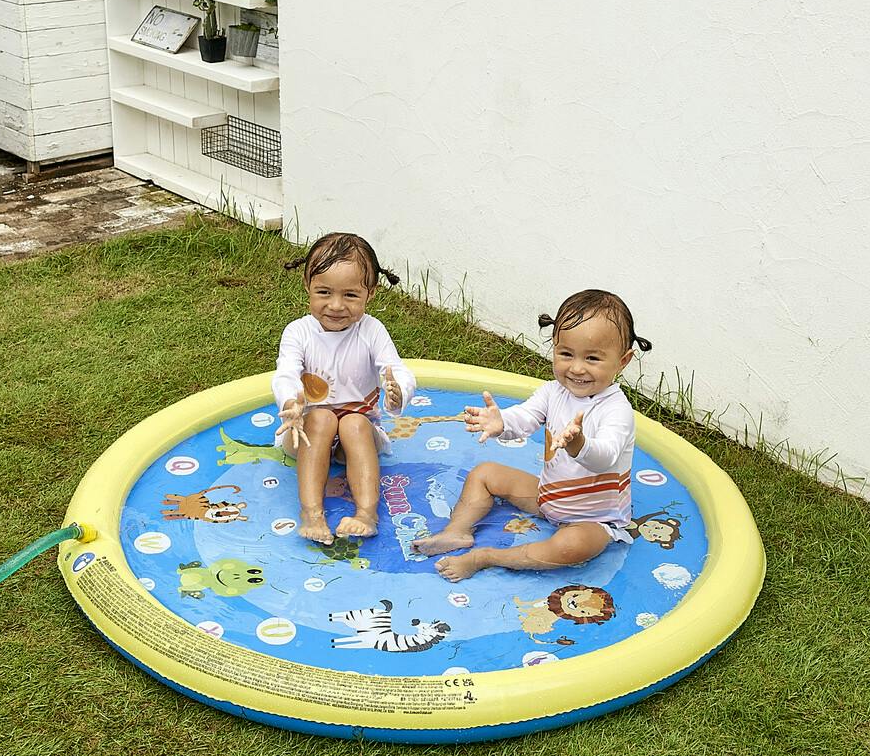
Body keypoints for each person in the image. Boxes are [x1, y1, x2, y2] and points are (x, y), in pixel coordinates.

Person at [415, 289, 651, 581]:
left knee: (572, 546)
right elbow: (525, 417)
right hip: (547, 496)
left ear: (623, 360)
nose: (576, 368)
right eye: (566, 354)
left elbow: (607, 456)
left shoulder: (616, 410)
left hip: (593, 519)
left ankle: (485, 557)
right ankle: (457, 531)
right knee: (484, 473)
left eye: (592, 358)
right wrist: (502, 421)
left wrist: (579, 445)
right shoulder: (553, 392)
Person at [274, 233, 415, 545]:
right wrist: (290, 402)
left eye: (350, 295)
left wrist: (398, 390)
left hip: (357, 436)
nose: (336, 306)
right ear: (307, 285)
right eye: (324, 292)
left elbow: (396, 370)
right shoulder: (298, 332)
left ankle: (366, 513)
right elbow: (286, 373)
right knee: (321, 417)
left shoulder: (372, 331)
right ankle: (312, 513)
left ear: (371, 293)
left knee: (352, 422)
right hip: (305, 433)